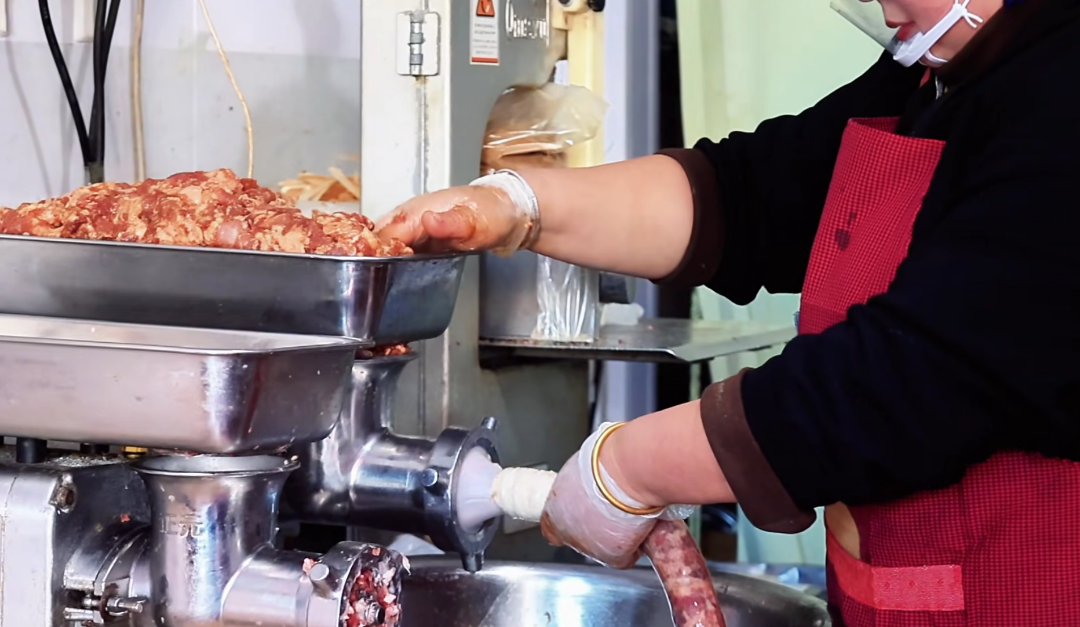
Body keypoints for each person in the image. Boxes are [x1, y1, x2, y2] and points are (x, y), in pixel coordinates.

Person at [377, 0, 1080, 623]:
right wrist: (515, 206)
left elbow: (913, 381)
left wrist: (633, 466)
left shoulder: (1060, 90)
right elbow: (752, 195)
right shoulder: (936, 72)